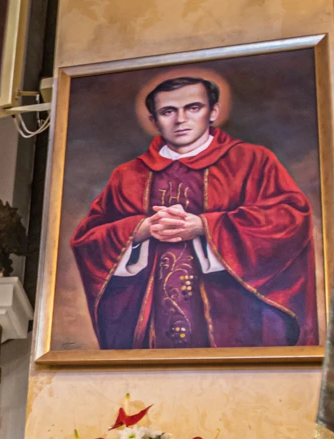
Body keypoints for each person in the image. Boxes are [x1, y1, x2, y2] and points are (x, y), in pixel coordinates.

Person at [71, 75, 319, 350]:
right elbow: (87, 239)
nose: (180, 120)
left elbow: (290, 217)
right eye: (168, 111)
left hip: (233, 317)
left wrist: (205, 226)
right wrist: (139, 230)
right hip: (151, 322)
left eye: (193, 108)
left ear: (213, 112)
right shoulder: (128, 175)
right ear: (154, 121)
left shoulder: (252, 160)